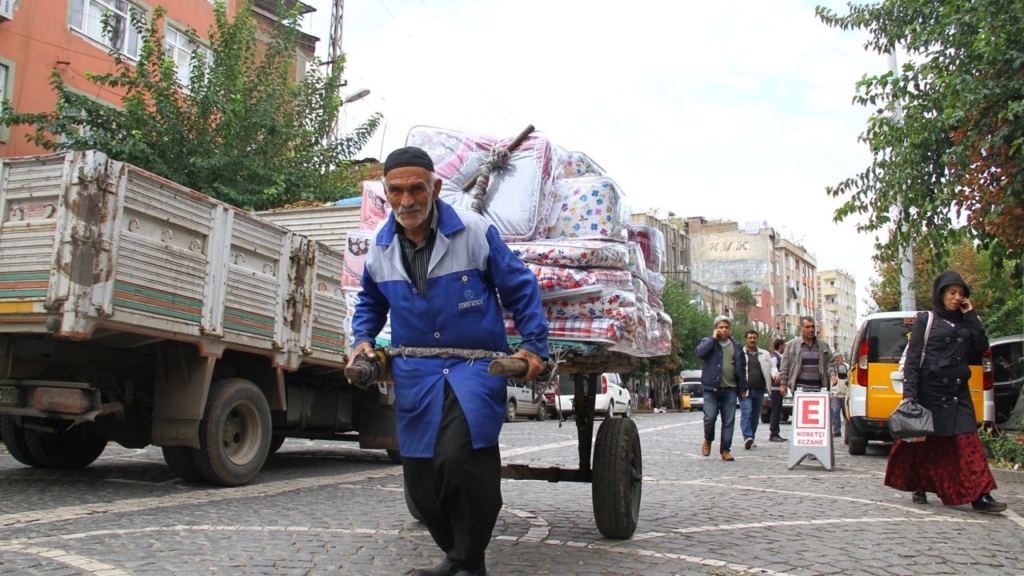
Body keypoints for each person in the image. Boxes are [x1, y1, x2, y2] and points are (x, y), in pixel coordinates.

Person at [348, 147, 549, 576]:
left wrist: (533, 344)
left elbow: (519, 286)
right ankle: (462, 560)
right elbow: (369, 301)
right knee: (420, 484)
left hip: (476, 368)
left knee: (461, 461)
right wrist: (362, 339)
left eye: (416, 189)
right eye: (397, 191)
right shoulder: (380, 250)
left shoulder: (474, 232)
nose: (407, 201)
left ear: (435, 188)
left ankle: (465, 563)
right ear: (386, 193)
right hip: (416, 373)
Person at [884, 271, 1005, 513]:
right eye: (952, 293)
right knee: (925, 444)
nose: (956, 297)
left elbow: (981, 346)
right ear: (941, 294)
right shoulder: (926, 320)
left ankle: (980, 495)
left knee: (968, 443)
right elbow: (913, 360)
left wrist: (971, 314)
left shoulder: (966, 321)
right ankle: (919, 484)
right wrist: (910, 395)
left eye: (961, 293)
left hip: (958, 392)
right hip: (930, 392)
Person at [695, 316, 748, 461]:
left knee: (729, 421)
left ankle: (725, 450)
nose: (724, 330)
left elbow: (742, 367)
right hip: (711, 388)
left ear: (730, 329)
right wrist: (713, 339)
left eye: (726, 327)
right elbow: (699, 353)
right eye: (721, 327)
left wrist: (743, 387)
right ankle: (708, 438)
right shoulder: (708, 342)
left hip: (730, 388)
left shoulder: (736, 345)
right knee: (710, 417)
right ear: (716, 329)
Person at [779, 316, 837, 395]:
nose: (811, 329)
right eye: (807, 327)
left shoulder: (823, 345)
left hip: (820, 390)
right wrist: (783, 384)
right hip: (799, 390)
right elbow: (784, 365)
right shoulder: (791, 345)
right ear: (801, 328)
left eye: (813, 327)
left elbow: (830, 363)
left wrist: (832, 374)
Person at [739, 329, 777, 450]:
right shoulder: (740, 354)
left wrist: (775, 374)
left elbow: (772, 366)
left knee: (755, 416)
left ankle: (751, 438)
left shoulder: (765, 354)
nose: (752, 340)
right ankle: (747, 437)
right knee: (746, 412)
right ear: (746, 339)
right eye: (750, 338)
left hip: (759, 389)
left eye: (754, 338)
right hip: (745, 390)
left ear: (757, 339)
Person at [768, 338, 787, 442]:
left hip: (778, 389)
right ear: (780, 346)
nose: (785, 348)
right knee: (775, 411)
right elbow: (772, 370)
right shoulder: (775, 358)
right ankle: (773, 433)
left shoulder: (779, 357)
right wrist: (780, 374)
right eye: (784, 345)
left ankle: (776, 432)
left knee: (778, 410)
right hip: (775, 388)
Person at [831, 354, 849, 437]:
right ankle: (836, 430)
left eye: (838, 360)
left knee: (847, 415)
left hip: (845, 395)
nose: (836, 362)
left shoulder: (846, 368)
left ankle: (848, 432)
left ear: (842, 360)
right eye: (835, 361)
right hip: (836, 395)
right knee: (835, 412)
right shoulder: (833, 369)